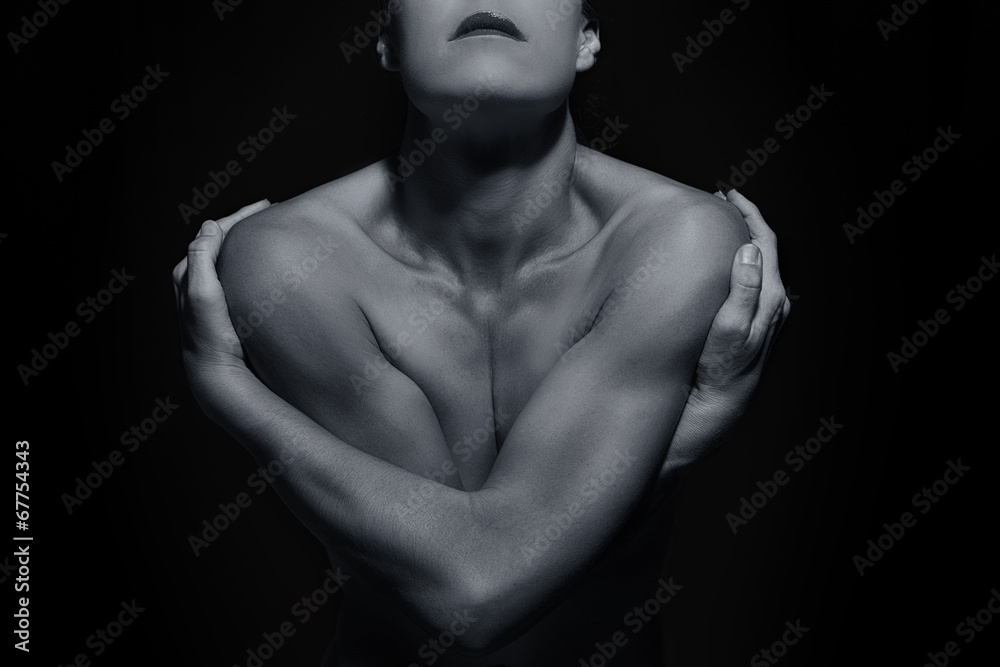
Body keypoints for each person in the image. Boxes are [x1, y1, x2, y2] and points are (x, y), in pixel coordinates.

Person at [172, 2, 791, 664]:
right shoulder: (288, 261)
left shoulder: (677, 240)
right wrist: (674, 448)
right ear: (388, 44)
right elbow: (467, 597)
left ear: (586, 40)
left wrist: (234, 393)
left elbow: (474, 578)